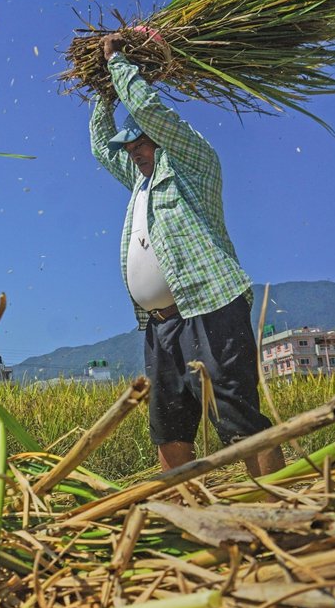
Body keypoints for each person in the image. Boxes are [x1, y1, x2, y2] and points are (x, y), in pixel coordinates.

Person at [88, 32, 284, 477]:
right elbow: (102, 147)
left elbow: (150, 112)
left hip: (208, 309)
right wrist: (101, 94)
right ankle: (186, 520)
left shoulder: (195, 164)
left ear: (161, 140)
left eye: (142, 143)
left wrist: (118, 62)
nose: (135, 152)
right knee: (169, 429)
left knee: (239, 419)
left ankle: (278, 511)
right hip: (160, 326)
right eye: (132, 147)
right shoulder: (141, 182)